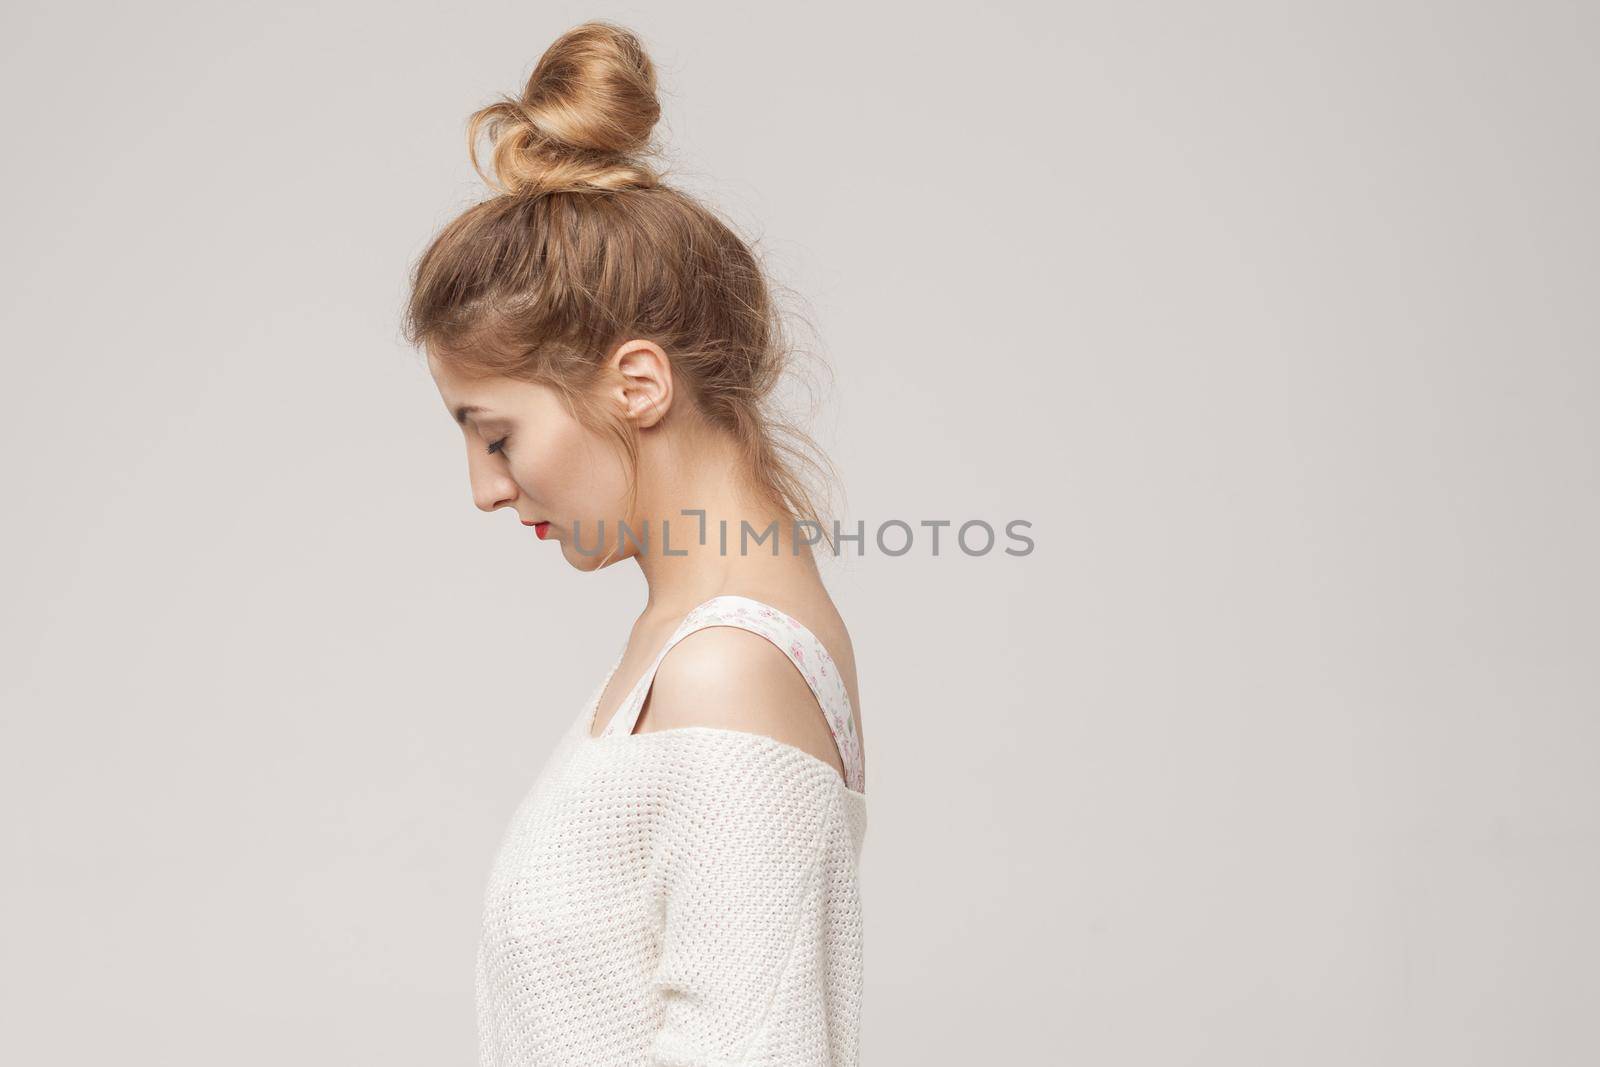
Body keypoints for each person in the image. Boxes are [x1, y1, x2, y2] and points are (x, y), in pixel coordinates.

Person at [401, 19, 869, 1067]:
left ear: (638, 383)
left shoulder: (726, 672)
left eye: (496, 431)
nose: (483, 488)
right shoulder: (683, 653)